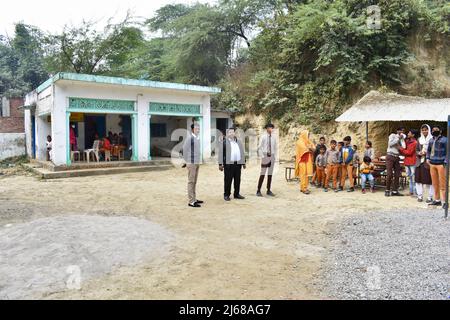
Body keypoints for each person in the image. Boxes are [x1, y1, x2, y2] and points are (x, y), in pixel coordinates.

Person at [219, 128, 246, 201]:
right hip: (229, 165)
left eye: (232, 132)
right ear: (227, 134)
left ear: (235, 133)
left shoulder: (239, 142)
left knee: (237, 180)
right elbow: (221, 154)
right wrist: (220, 164)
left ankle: (236, 194)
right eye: (229, 132)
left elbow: (242, 153)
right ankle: (226, 194)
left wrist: (243, 163)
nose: (231, 133)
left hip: (237, 164)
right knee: (228, 180)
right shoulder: (224, 142)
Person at [427, 125, 448, 208]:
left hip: (441, 164)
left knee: (443, 184)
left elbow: (448, 152)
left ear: (440, 131)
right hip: (432, 163)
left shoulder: (445, 140)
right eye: (433, 130)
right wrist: (428, 158)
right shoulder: (431, 140)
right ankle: (437, 200)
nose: (434, 131)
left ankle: (445, 201)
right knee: (435, 183)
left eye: (436, 130)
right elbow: (428, 150)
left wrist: (446, 161)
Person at [183, 123, 203, 208]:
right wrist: (186, 161)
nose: (198, 130)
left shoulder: (197, 138)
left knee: (195, 181)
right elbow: (184, 149)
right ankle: (191, 201)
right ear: (192, 130)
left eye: (198, 128)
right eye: (196, 129)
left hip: (197, 162)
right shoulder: (190, 138)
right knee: (191, 182)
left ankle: (194, 198)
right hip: (191, 163)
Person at [415, 124, 434, 203]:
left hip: (428, 162)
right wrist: (419, 153)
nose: (424, 131)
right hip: (419, 162)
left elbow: (434, 151)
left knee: (429, 180)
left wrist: (426, 153)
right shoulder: (419, 139)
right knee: (418, 180)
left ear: (429, 130)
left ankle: (430, 197)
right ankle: (420, 196)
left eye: (426, 129)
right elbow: (416, 150)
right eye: (423, 130)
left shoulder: (432, 139)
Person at [257, 124, 277, 197]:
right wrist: (262, 157)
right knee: (262, 173)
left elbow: (275, 147)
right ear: (267, 129)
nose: (272, 129)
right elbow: (259, 147)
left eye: (272, 128)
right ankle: (258, 190)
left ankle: (268, 190)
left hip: (272, 156)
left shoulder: (274, 137)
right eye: (270, 128)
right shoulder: (263, 137)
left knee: (270, 174)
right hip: (265, 156)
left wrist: (274, 157)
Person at [385, 128, 406, 197]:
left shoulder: (401, 138)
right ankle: (387, 190)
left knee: (397, 174)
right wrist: (398, 138)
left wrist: (402, 140)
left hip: (397, 157)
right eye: (400, 131)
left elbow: (403, 147)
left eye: (403, 131)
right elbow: (390, 144)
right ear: (397, 131)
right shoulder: (393, 135)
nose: (401, 132)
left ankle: (394, 191)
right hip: (390, 156)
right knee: (389, 174)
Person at [295, 130, 315, 195]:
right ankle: (304, 188)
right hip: (301, 160)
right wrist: (310, 148)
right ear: (304, 135)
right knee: (303, 174)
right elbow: (305, 149)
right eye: (307, 134)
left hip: (307, 159)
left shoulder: (308, 141)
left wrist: (311, 148)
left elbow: (314, 148)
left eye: (309, 134)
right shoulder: (299, 142)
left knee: (306, 174)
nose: (308, 136)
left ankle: (303, 187)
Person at [400, 129, 418, 196]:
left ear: (413, 135)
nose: (408, 134)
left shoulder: (415, 143)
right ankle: (411, 192)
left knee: (413, 178)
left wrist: (400, 148)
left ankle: (415, 193)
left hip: (412, 162)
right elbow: (404, 147)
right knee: (410, 178)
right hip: (407, 161)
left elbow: (409, 152)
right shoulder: (407, 141)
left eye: (409, 133)